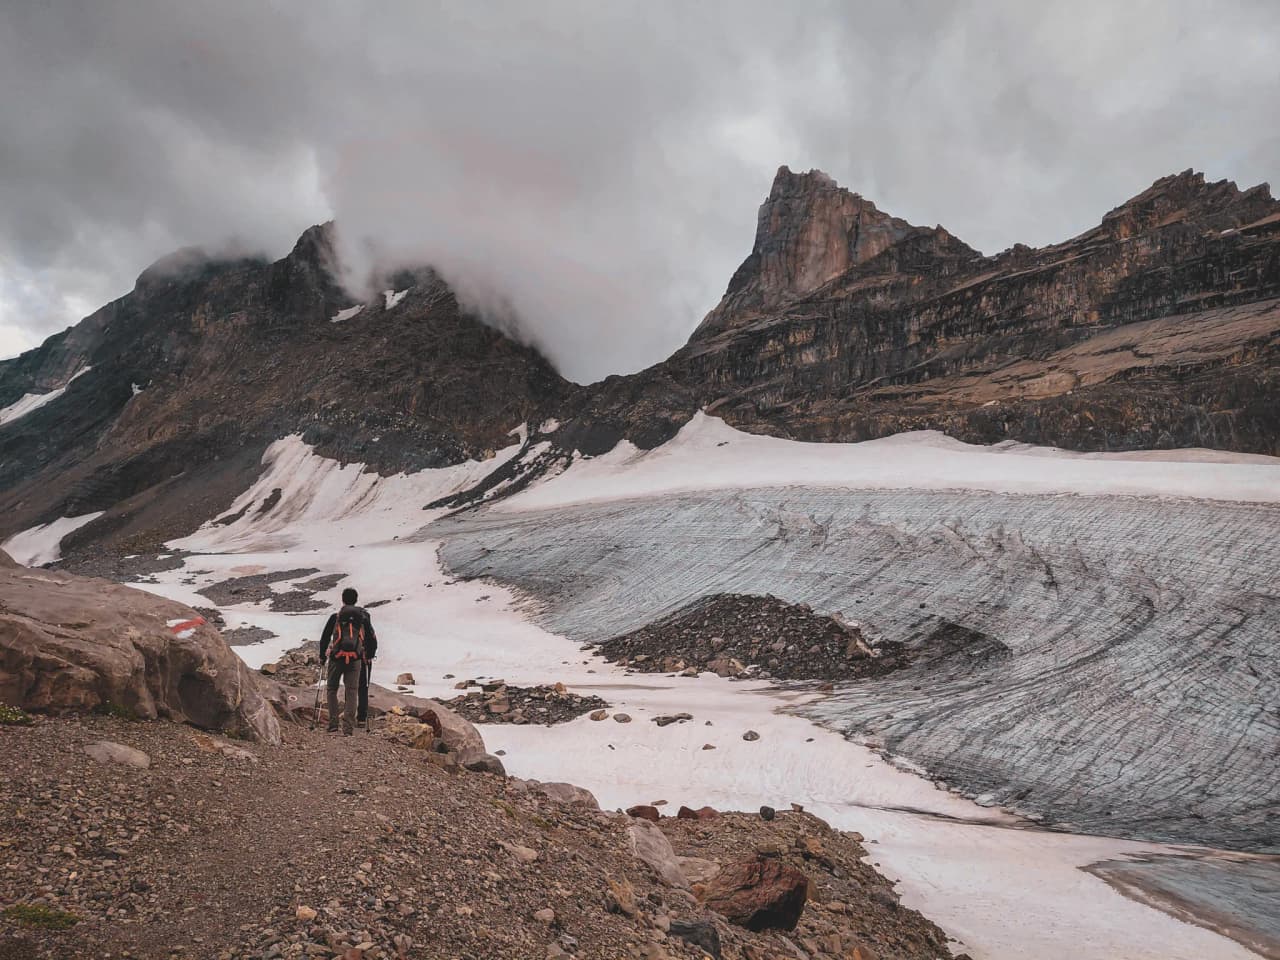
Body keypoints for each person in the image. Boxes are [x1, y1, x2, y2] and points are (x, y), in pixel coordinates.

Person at [318, 587, 378, 735]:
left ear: (343, 600)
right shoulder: (362, 618)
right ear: (356, 600)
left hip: (336, 658)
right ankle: (348, 728)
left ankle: (333, 724)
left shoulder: (336, 617)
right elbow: (372, 638)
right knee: (352, 691)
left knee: (332, 689)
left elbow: (325, 638)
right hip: (355, 659)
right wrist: (369, 655)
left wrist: (322, 656)